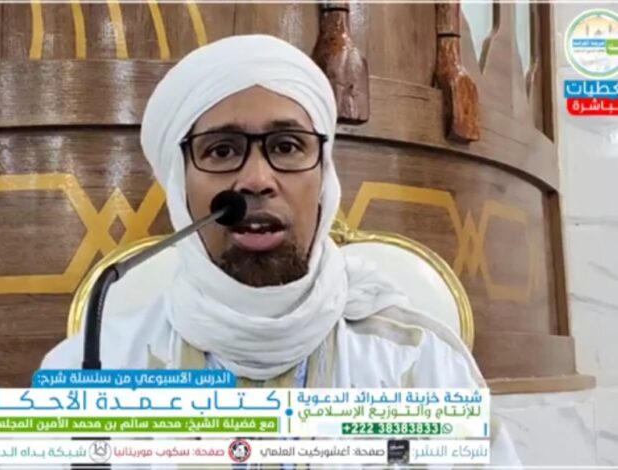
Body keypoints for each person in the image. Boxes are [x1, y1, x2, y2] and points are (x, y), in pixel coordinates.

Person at [41, 34, 522, 467]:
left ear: (324, 178)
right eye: (222, 150)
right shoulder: (94, 366)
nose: (256, 180)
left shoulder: (418, 366)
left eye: (287, 146)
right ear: (180, 187)